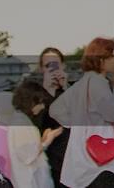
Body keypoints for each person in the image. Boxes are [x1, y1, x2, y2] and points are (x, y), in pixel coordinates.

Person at [49, 37, 114, 188]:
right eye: (112, 56)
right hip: (102, 169)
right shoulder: (99, 83)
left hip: (80, 164)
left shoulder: (81, 84)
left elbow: (55, 110)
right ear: (101, 60)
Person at [7, 80, 57, 188]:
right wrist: (46, 142)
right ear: (30, 102)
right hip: (29, 181)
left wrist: (43, 140)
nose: (42, 106)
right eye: (40, 103)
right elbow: (27, 155)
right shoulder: (20, 123)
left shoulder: (21, 120)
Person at [34, 47, 70, 187]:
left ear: (63, 66)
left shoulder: (72, 91)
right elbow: (36, 123)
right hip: (49, 161)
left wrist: (66, 88)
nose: (53, 70)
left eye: (56, 65)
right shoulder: (35, 95)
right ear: (41, 69)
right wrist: (47, 89)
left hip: (74, 159)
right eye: (48, 66)